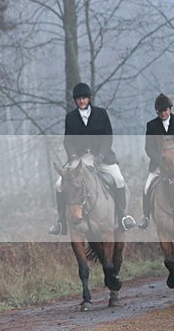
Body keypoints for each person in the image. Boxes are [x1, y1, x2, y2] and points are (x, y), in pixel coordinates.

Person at [49, 82, 136, 235]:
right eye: (78, 99)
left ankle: (123, 217)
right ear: (75, 100)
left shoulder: (101, 114)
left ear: (89, 98)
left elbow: (108, 137)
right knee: (58, 184)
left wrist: (101, 155)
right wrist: (73, 156)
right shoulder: (70, 118)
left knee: (119, 179)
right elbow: (68, 141)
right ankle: (61, 222)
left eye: (84, 98)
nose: (81, 101)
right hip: (80, 159)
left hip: (103, 157)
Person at [138, 93, 174, 230]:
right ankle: (146, 217)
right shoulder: (152, 125)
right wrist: (159, 160)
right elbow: (149, 147)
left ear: (170, 109)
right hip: (159, 165)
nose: (163, 113)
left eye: (165, 110)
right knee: (147, 187)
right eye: (160, 111)